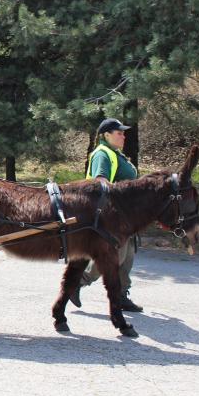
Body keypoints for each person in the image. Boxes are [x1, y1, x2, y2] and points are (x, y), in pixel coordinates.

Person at [73, 117, 143, 312]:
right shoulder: (103, 154)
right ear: (106, 135)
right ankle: (77, 282)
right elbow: (100, 183)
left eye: (123, 132)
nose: (123, 136)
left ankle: (121, 295)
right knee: (114, 256)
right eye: (119, 132)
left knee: (127, 255)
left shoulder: (115, 154)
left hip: (124, 216)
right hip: (109, 215)